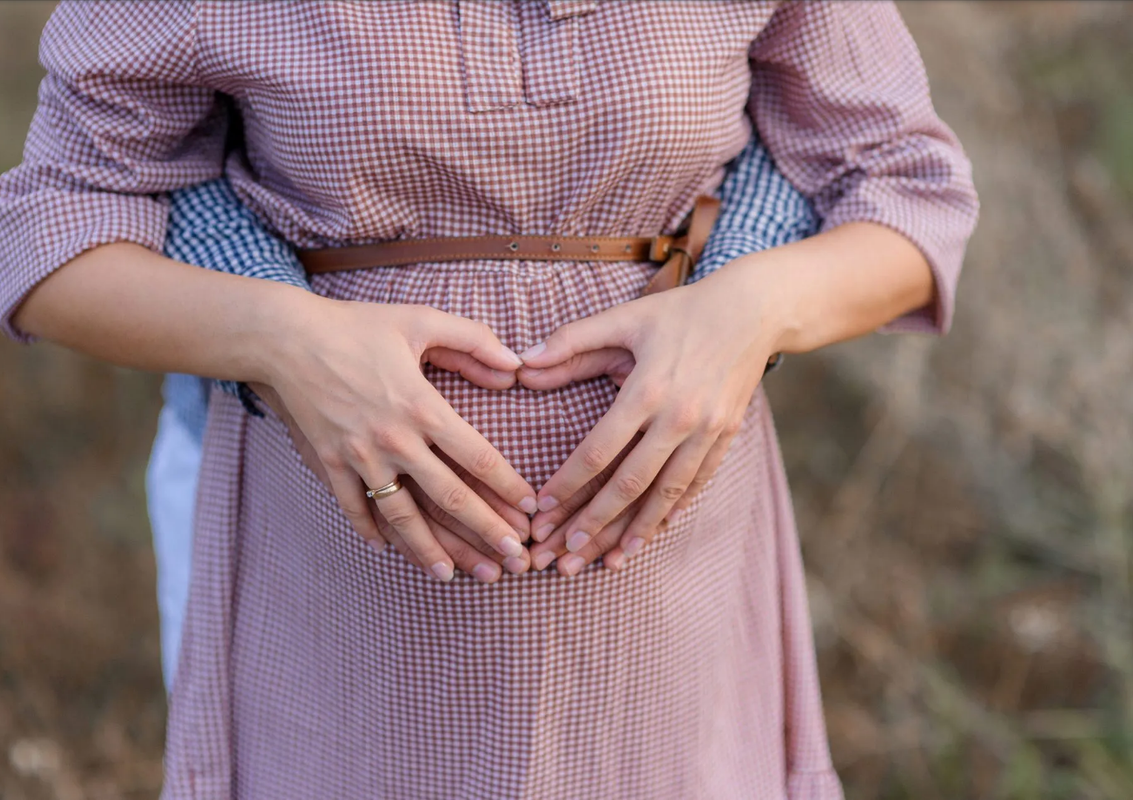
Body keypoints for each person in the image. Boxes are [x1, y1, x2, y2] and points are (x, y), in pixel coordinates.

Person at [0, 2, 978, 797]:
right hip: (347, 599)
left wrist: (751, 307)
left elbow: (904, 188)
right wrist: (287, 342)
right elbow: (50, 232)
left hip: (668, 608)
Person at [147, 134, 818, 690]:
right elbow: (145, 166)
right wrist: (289, 341)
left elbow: (825, 150)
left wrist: (738, 300)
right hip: (317, 563)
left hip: (666, 590)